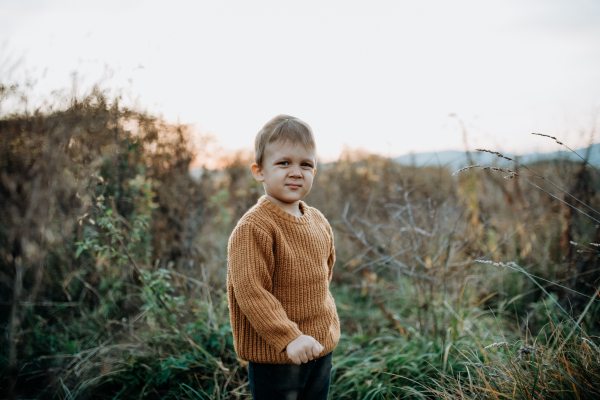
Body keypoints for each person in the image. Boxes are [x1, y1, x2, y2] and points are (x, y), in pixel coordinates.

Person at [227, 115, 340, 400]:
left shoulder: (317, 220)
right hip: (276, 356)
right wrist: (289, 338)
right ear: (259, 171)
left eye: (306, 164)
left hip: (319, 349)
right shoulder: (255, 227)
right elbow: (252, 292)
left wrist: (323, 330)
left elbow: (323, 276)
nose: (296, 172)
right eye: (283, 163)